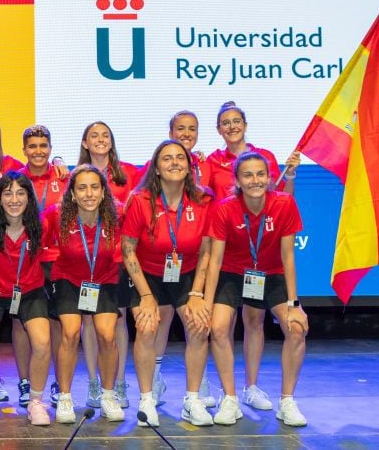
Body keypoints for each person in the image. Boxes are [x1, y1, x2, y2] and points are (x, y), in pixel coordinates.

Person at [204, 100, 300, 411]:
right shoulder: (211, 164)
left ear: (245, 124)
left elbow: (283, 201)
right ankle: (226, 393)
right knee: (221, 325)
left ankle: (254, 388)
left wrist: (292, 177)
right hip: (228, 251)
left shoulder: (268, 161)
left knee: (256, 321)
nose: (231, 126)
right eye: (225, 122)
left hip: (262, 263)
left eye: (236, 121)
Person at [121, 139, 214, 428]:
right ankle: (147, 399)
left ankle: (192, 400)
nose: (174, 162)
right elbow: (127, 249)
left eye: (180, 158)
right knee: (147, 326)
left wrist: (197, 292)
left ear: (189, 166)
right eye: (166, 158)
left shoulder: (203, 200)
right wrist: (146, 296)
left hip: (185, 274)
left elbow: (207, 250)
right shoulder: (140, 200)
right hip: (146, 274)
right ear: (156, 168)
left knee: (199, 324)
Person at [142, 110, 215, 409]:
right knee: (158, 321)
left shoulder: (206, 167)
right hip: (158, 262)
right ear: (170, 131)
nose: (186, 133)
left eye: (192, 128)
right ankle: (155, 379)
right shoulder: (155, 163)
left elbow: (214, 205)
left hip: (194, 261)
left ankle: (198, 385)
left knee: (197, 320)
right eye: (180, 128)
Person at [0, 171, 51, 427]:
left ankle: (36, 402)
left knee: (42, 342)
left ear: (29, 197)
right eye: (7, 193)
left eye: (20, 193)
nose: (14, 199)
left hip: (29, 292)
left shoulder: (42, 226)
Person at [45, 165, 124, 423]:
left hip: (104, 278)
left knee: (108, 334)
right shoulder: (56, 216)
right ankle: (65, 397)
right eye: (82, 188)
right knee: (70, 332)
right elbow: (34, 234)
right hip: (68, 278)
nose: (88, 194)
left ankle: (108, 395)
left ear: (103, 192)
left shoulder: (117, 215)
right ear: (72, 194)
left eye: (94, 187)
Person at [77, 121, 139, 408]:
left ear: (112, 142)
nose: (100, 140)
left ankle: (119, 383)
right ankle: (93, 382)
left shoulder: (129, 174)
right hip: (85, 260)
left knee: (119, 320)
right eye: (94, 136)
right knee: (88, 320)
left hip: (117, 259)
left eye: (105, 135)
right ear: (85, 143)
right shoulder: (75, 176)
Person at [15, 125, 66, 406]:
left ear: (50, 148)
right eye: (32, 146)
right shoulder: (15, 180)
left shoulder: (63, 178)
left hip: (57, 261)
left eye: (43, 146)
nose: (38, 151)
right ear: (24, 150)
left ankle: (59, 383)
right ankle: (25, 383)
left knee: (57, 324)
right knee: (21, 324)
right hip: (23, 260)